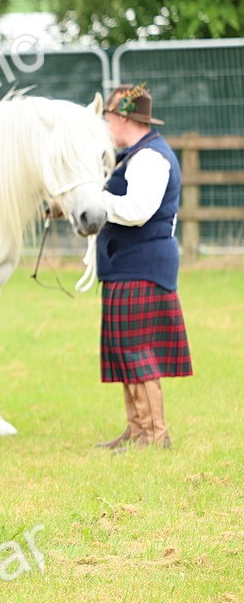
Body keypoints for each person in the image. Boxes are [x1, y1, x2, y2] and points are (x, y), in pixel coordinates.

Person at [94, 83, 192, 451]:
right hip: (126, 266)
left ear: (123, 118)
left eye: (107, 117)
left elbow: (137, 211)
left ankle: (155, 434)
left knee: (139, 353)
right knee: (125, 351)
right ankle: (137, 430)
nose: (105, 125)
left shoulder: (150, 157)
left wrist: (95, 200)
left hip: (143, 268)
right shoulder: (133, 156)